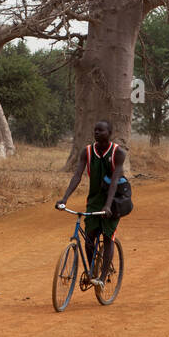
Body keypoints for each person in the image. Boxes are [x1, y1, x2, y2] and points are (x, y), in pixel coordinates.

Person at [55, 120, 127, 288]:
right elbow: (77, 175)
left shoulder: (118, 153)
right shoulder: (86, 151)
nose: (96, 132)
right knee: (89, 239)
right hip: (94, 200)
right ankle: (91, 270)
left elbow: (115, 181)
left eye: (100, 130)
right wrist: (64, 199)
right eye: (95, 130)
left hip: (114, 200)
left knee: (108, 237)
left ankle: (101, 277)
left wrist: (108, 206)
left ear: (109, 133)